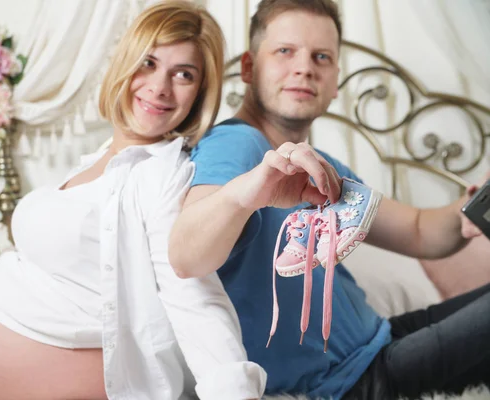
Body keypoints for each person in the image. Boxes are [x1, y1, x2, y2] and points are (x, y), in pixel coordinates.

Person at [0, 2, 268, 399]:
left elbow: (195, 298)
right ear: (125, 64)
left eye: (183, 74)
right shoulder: (97, 160)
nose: (159, 87)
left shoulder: (162, 174)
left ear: (200, 93)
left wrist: (234, 392)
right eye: (148, 63)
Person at [168, 0, 490, 399]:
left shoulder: (320, 163)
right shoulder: (235, 144)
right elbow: (184, 256)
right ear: (249, 68)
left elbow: (420, 231)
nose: (304, 67)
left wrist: (469, 210)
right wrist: (247, 192)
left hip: (382, 339)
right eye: (285, 51)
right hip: (345, 384)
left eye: (321, 56)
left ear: (336, 80)